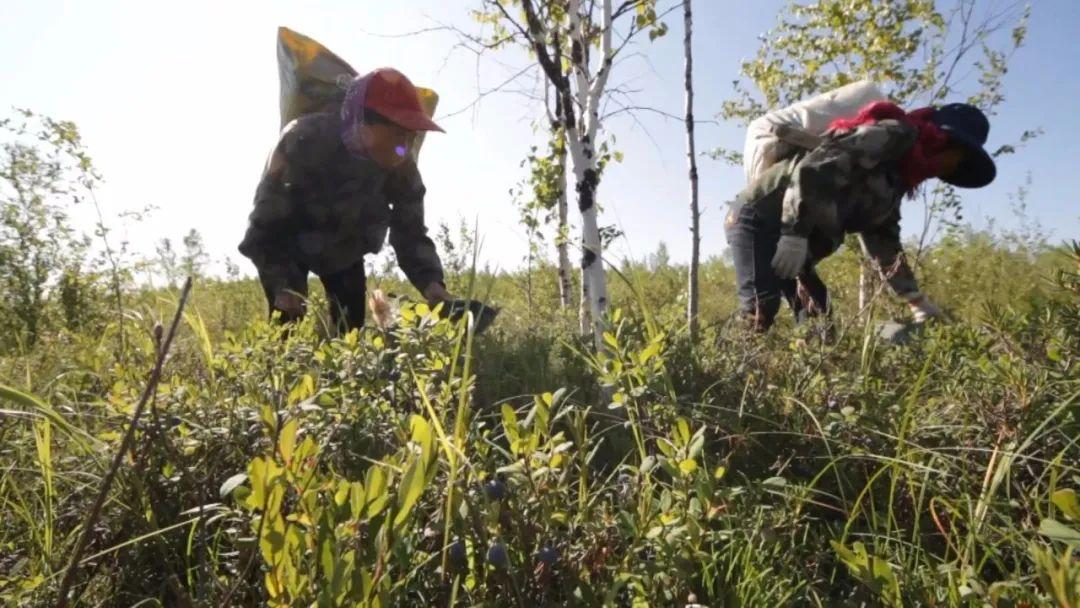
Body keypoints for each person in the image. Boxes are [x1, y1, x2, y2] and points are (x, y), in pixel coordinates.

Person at [724, 102, 997, 332]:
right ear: (945, 141)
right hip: (759, 217)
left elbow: (883, 240)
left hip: (794, 244)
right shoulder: (897, 134)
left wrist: (915, 299)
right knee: (760, 309)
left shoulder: (898, 178)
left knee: (820, 322)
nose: (954, 166)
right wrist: (794, 233)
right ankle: (720, 382)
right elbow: (817, 166)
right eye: (960, 156)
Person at [239, 67, 452, 332]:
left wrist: (432, 284)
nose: (405, 147)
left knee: (350, 332)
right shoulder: (301, 139)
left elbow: (410, 232)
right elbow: (264, 226)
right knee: (287, 325)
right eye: (398, 134)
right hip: (288, 242)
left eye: (411, 136)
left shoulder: (402, 169)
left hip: (344, 249)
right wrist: (281, 284)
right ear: (363, 125)